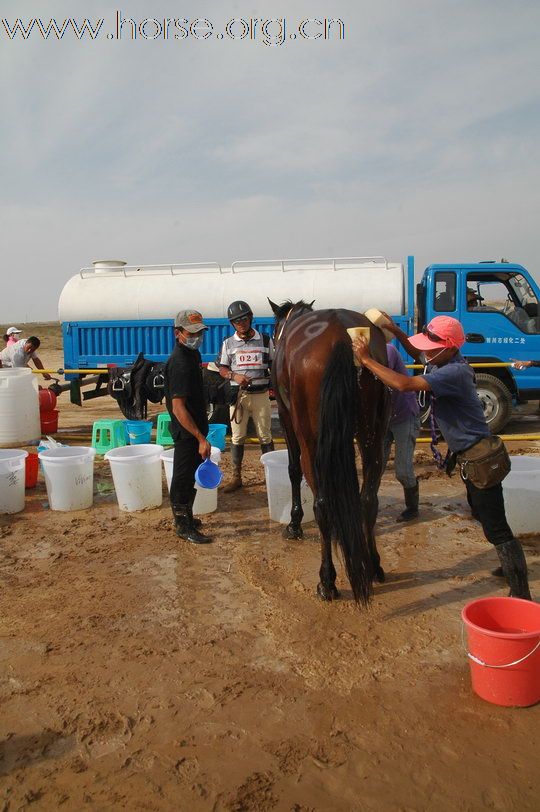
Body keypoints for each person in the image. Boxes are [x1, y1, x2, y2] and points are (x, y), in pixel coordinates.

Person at [352, 314, 532, 600]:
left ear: (449, 347)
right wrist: (395, 330)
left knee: (495, 525)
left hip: (480, 458)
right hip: (468, 456)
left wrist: (366, 360)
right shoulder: (444, 361)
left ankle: (520, 590)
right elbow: (417, 353)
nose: (425, 351)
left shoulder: (453, 373)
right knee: (484, 516)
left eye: (431, 347)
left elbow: (404, 385)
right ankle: (506, 561)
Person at [164, 310, 212, 544]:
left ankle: (188, 518)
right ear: (178, 333)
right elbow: (178, 408)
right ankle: (182, 525)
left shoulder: (192, 354)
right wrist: (199, 438)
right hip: (186, 433)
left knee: (191, 474)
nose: (196, 337)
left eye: (199, 332)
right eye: (191, 333)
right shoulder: (180, 362)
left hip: (196, 430)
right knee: (182, 478)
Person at [218, 300, 275, 492]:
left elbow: (274, 365)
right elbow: (223, 369)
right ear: (232, 324)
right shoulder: (228, 343)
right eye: (236, 321)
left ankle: (271, 475)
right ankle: (236, 477)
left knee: (265, 435)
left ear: (250, 318)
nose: (241, 323)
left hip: (261, 396)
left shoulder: (266, 340)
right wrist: (234, 376)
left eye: (243, 319)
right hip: (239, 398)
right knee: (237, 437)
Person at [384, 342, 421, 521]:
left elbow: (385, 381)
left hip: (404, 414)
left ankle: (412, 507)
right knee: (376, 464)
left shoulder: (387, 350)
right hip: (384, 417)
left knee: (403, 469)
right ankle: (368, 501)